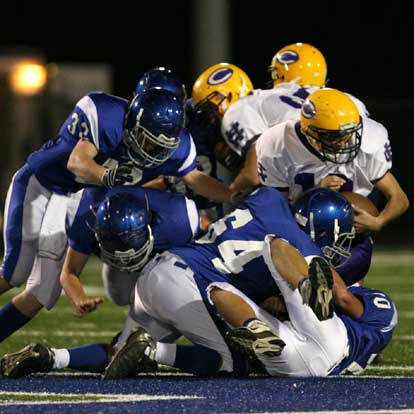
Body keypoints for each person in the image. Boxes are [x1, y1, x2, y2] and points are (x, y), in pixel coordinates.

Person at [0, 86, 230, 343]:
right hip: (42, 185)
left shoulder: (176, 147)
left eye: (161, 146)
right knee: (17, 271)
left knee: (44, 290)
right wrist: (105, 176)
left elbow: (194, 178)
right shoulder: (108, 118)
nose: (155, 153)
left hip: (73, 199)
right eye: (149, 141)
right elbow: (76, 162)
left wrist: (232, 194)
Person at [0, 186, 200, 377]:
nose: (123, 257)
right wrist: (79, 298)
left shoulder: (180, 220)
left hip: (157, 258)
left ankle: (51, 357)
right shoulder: (83, 216)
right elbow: (69, 271)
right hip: (80, 197)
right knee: (40, 289)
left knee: (133, 338)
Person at [220, 42, 371, 198]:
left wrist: (229, 193)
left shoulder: (254, 102)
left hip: (295, 194)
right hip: (352, 188)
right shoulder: (348, 101)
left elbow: (253, 174)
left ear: (277, 74)